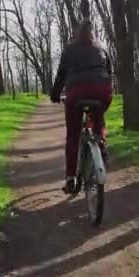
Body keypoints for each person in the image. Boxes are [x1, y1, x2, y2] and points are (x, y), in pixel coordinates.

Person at [50, 19, 113, 194]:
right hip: (102, 91)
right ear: (93, 33)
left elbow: (61, 74)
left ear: (77, 32)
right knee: (98, 118)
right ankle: (100, 142)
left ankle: (71, 178)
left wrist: (55, 94)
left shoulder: (69, 49)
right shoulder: (101, 48)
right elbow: (109, 71)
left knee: (73, 134)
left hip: (77, 93)